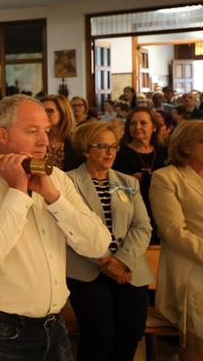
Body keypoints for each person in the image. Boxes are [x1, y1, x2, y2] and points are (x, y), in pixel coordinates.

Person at [0, 94, 110, 361]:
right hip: (1, 330)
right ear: (2, 135)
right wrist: (18, 190)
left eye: (46, 131)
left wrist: (53, 197)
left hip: (55, 324)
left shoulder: (56, 178)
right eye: (32, 131)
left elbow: (98, 244)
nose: (44, 141)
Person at [66, 122, 153, 361]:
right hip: (88, 271)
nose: (110, 153)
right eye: (102, 146)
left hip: (130, 269)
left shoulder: (128, 182)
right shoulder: (67, 182)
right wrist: (107, 262)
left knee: (129, 336)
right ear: (85, 149)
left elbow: (142, 226)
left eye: (114, 146)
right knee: (99, 339)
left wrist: (122, 261)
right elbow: (72, 229)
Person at [149, 120, 203, 360]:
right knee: (196, 344)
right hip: (190, 269)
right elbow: (173, 231)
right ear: (185, 147)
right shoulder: (166, 178)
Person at [112, 106, 168, 244]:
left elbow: (169, 181)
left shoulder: (164, 151)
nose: (137, 127)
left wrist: (144, 178)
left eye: (143, 123)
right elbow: (124, 185)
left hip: (163, 208)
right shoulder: (120, 153)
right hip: (134, 212)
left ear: (154, 127)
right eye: (132, 123)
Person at [42, 94, 83, 171]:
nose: (44, 115)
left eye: (50, 111)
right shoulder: (37, 139)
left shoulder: (76, 140)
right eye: (42, 111)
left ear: (63, 112)